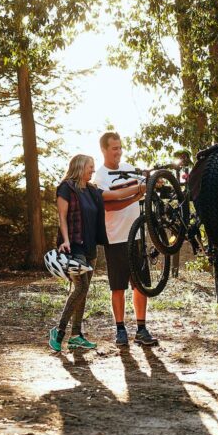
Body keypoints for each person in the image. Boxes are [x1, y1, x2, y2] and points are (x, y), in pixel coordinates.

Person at [94, 131, 159, 347]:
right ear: (104, 149)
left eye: (120, 148)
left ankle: (141, 328)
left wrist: (151, 184)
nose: (118, 152)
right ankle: (120, 329)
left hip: (137, 236)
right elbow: (108, 204)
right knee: (118, 287)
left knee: (140, 285)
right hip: (115, 238)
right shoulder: (100, 176)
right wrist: (138, 191)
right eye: (114, 148)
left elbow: (149, 185)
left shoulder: (131, 170)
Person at [49, 154, 106, 353]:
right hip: (74, 246)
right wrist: (65, 240)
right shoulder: (66, 187)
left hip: (90, 247)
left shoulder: (91, 190)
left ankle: (76, 336)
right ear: (80, 167)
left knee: (84, 290)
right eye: (90, 166)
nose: (93, 170)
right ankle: (59, 331)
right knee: (80, 288)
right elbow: (62, 217)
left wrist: (140, 188)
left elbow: (110, 197)